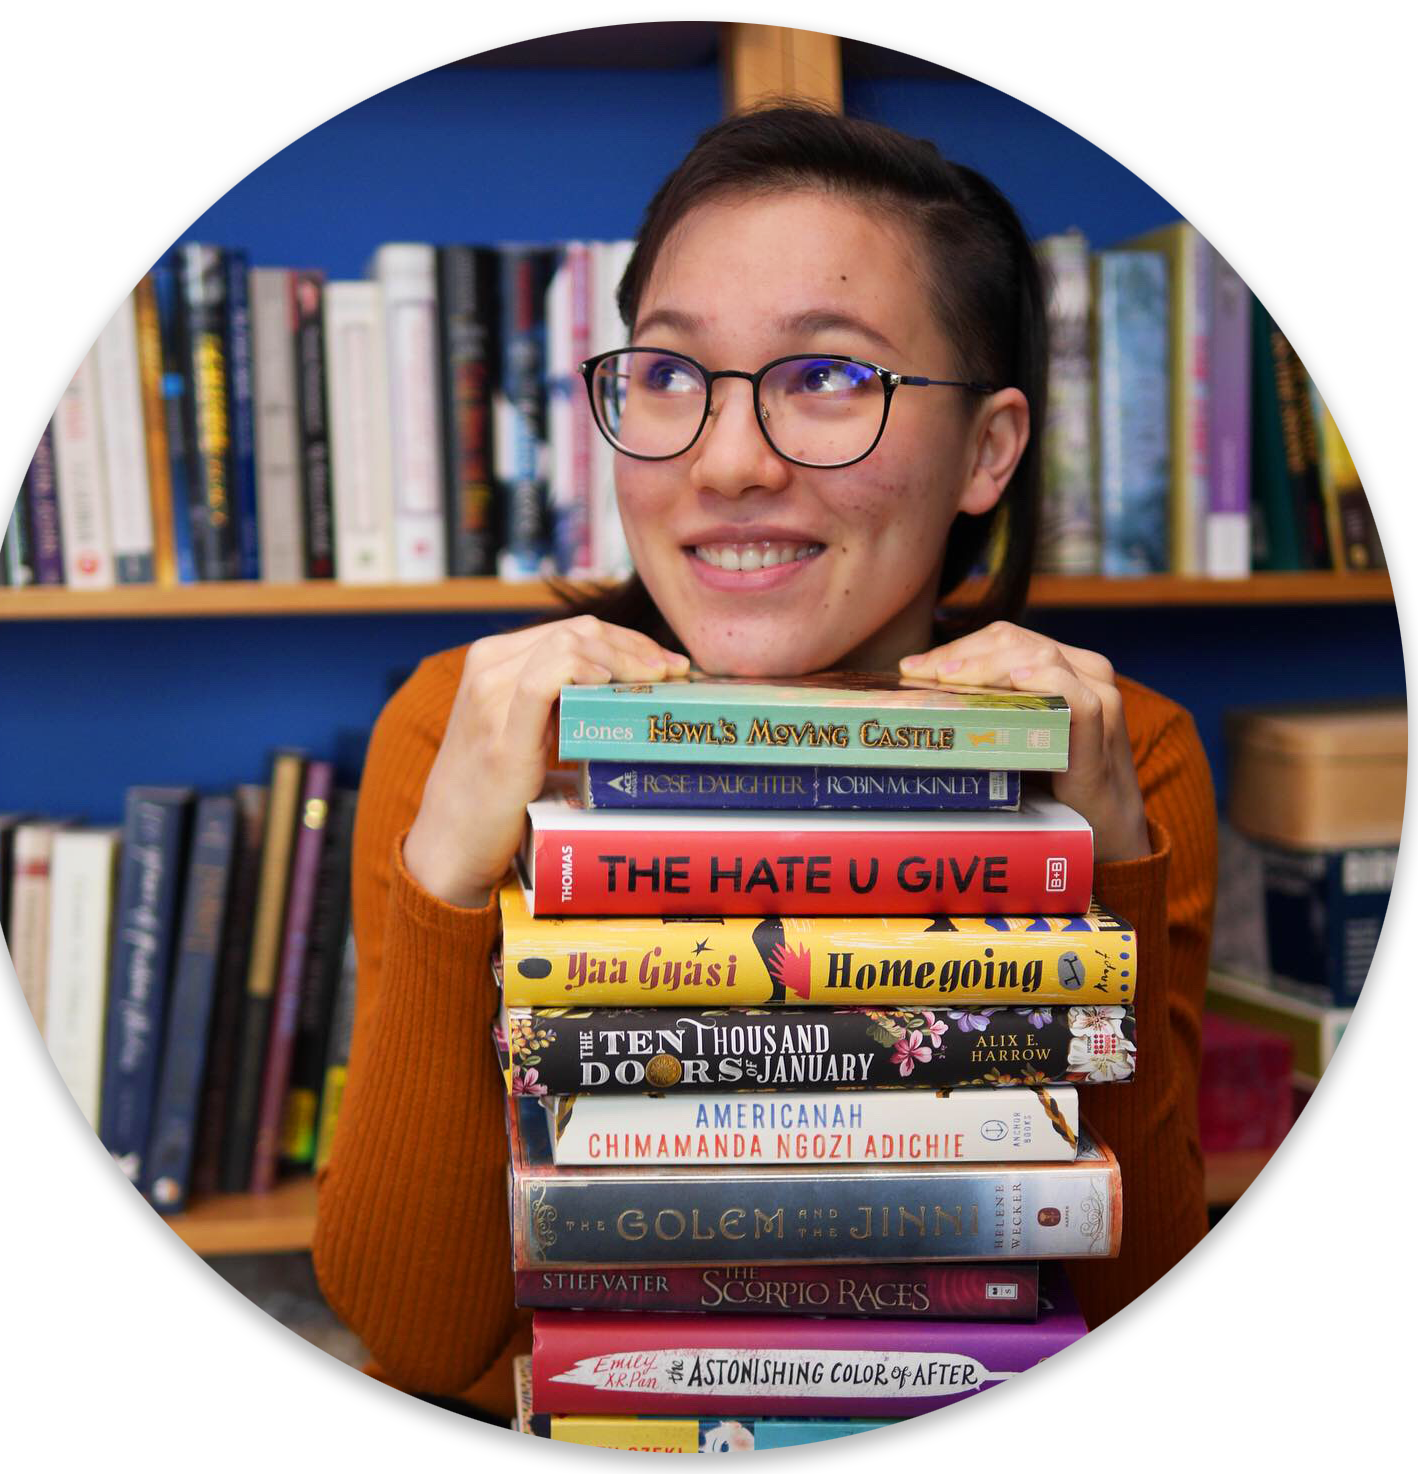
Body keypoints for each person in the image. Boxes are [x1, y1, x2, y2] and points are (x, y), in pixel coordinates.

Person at [312, 102, 1215, 1434]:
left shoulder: (1117, 749)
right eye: (670, 375)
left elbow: (1116, 1335)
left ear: (986, 449)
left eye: (830, 378)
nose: (729, 463)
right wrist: (450, 877)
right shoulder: (472, 722)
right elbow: (422, 1331)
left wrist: (1108, 878)